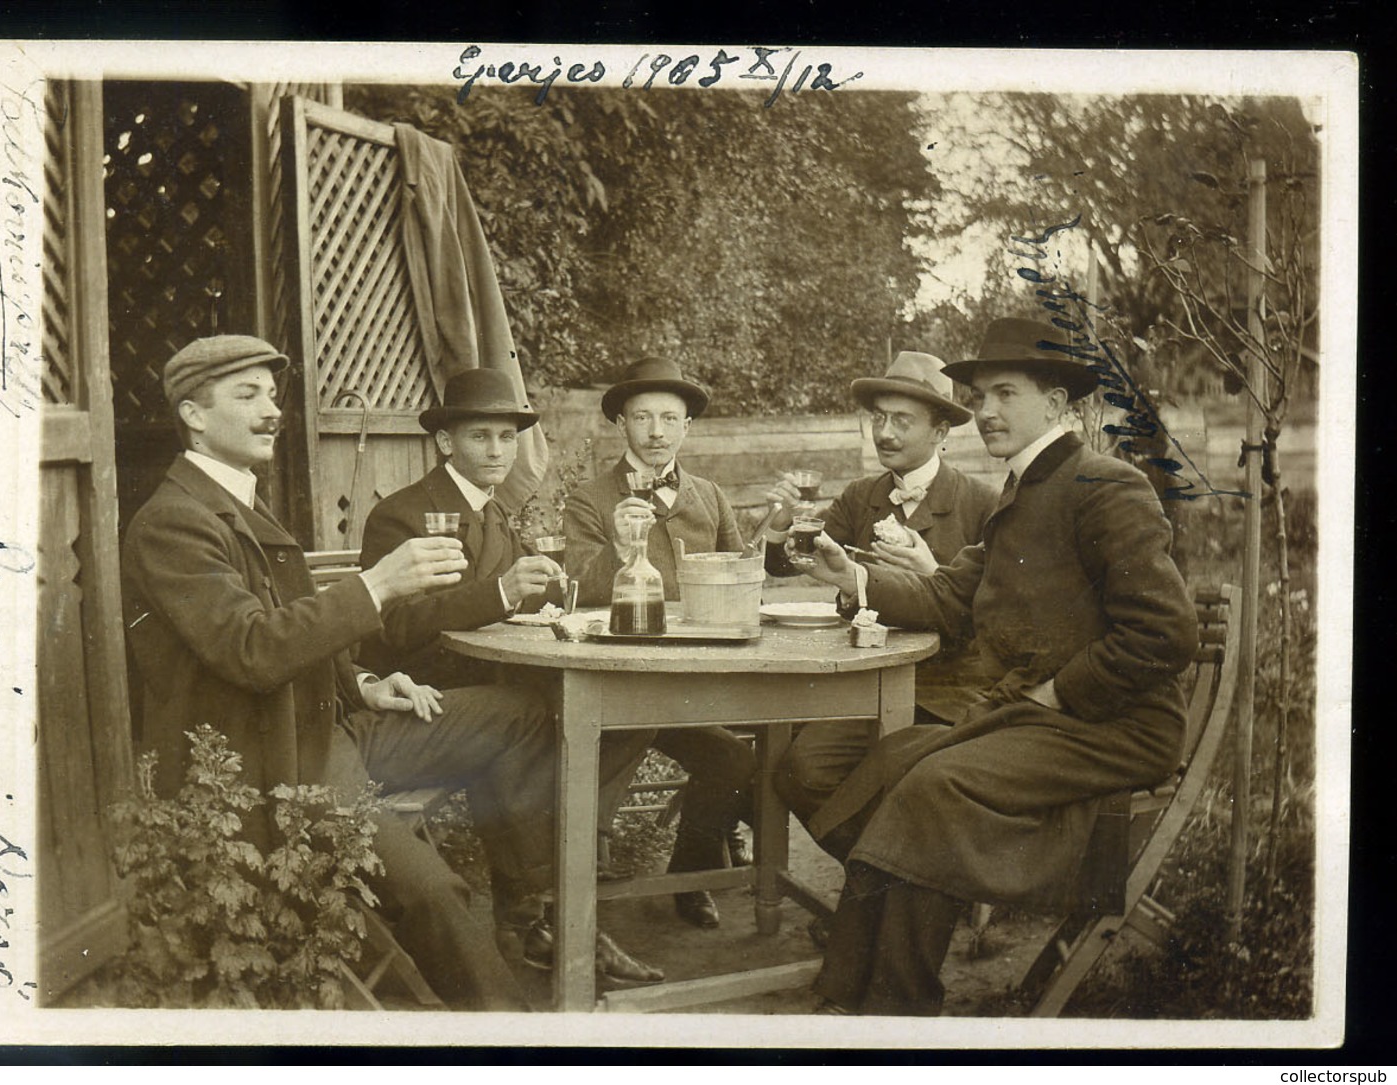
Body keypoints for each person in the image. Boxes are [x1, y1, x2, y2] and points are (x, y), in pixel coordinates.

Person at [120, 337, 657, 1011]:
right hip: (274, 764)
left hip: (330, 726)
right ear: (194, 415)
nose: (271, 412)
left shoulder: (236, 503)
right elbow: (251, 649)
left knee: (522, 714)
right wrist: (376, 585)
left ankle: (535, 904)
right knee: (434, 892)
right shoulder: (173, 521)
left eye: (272, 395)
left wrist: (366, 685)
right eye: (247, 395)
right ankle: (510, 1031)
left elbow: (285, 627)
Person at [793, 317, 1198, 1015]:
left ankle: (897, 1006)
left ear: (1057, 403)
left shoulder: (1101, 485)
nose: (984, 411)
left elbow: (1165, 633)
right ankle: (854, 984)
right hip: (1036, 715)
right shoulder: (1019, 493)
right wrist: (852, 579)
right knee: (889, 764)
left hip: (1115, 724)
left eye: (1003, 393)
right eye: (979, 396)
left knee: (933, 785)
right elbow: (946, 597)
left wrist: (1057, 692)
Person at [758, 351, 997, 834]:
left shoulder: (983, 505)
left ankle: (893, 883)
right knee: (796, 769)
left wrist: (935, 573)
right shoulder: (860, 497)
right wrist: (783, 523)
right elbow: (786, 564)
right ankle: (886, 880)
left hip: (946, 692)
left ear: (940, 432)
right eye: (879, 418)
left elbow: (995, 617)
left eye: (902, 421)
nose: (885, 433)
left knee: (863, 776)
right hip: (862, 682)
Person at [564, 357, 756, 931]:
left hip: (698, 682)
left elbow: (741, 573)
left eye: (669, 419)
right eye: (642, 417)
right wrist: (622, 552)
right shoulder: (589, 499)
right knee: (618, 739)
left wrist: (769, 542)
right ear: (620, 423)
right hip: (619, 681)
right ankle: (579, 877)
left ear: (687, 427)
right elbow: (574, 587)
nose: (655, 432)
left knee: (736, 759)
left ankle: (691, 873)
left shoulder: (710, 495)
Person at [359, 368, 562, 689]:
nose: (496, 451)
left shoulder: (491, 511)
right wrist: (500, 592)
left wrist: (620, 556)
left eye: (507, 437)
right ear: (445, 442)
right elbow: (394, 625)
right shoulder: (399, 515)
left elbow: (539, 593)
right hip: (423, 691)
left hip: (492, 681)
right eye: (480, 436)